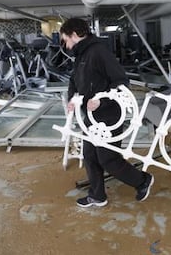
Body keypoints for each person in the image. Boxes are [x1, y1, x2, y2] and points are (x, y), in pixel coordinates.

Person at [60, 18, 154, 208]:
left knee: (108, 159)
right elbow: (74, 81)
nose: (66, 45)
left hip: (109, 115)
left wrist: (101, 100)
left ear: (75, 35)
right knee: (89, 155)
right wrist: (73, 99)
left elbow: (120, 83)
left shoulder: (99, 52)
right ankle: (97, 195)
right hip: (91, 116)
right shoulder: (81, 54)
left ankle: (142, 180)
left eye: (66, 40)